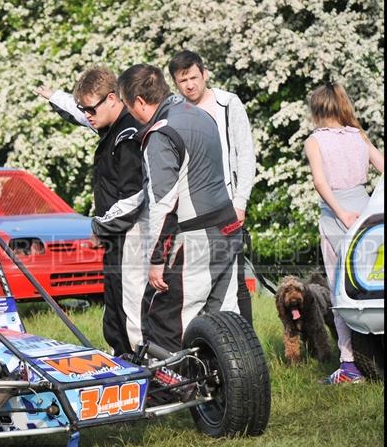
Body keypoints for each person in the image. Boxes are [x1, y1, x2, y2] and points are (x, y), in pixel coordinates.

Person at [117, 64, 243, 354]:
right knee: (227, 324)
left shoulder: (160, 134)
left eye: (127, 105)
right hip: (227, 229)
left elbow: (163, 204)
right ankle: (225, 395)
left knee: (169, 326)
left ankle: (175, 394)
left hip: (194, 241)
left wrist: (156, 259)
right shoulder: (202, 115)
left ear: (138, 102)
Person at [35, 66, 146, 356]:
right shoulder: (106, 123)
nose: (87, 116)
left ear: (112, 98)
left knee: (132, 312)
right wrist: (54, 97)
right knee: (113, 313)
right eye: (84, 109)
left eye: (91, 110)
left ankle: (147, 373)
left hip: (132, 237)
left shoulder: (129, 135)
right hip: (115, 238)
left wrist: (99, 227)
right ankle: (122, 364)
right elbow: (79, 111)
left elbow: (134, 197)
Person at [167, 50, 256, 325]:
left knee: (235, 285)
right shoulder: (174, 109)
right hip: (191, 216)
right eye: (183, 80)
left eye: (194, 77)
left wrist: (240, 202)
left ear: (204, 74)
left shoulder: (228, 104)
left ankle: (244, 351)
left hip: (227, 208)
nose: (190, 84)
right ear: (175, 83)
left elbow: (246, 155)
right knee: (196, 289)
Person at [304, 81, 384, 384]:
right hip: (368, 214)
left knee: (341, 292)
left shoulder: (315, 141)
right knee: (374, 285)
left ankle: (349, 366)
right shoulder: (358, 136)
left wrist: (340, 213)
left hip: (337, 217)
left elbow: (320, 184)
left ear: (317, 109)